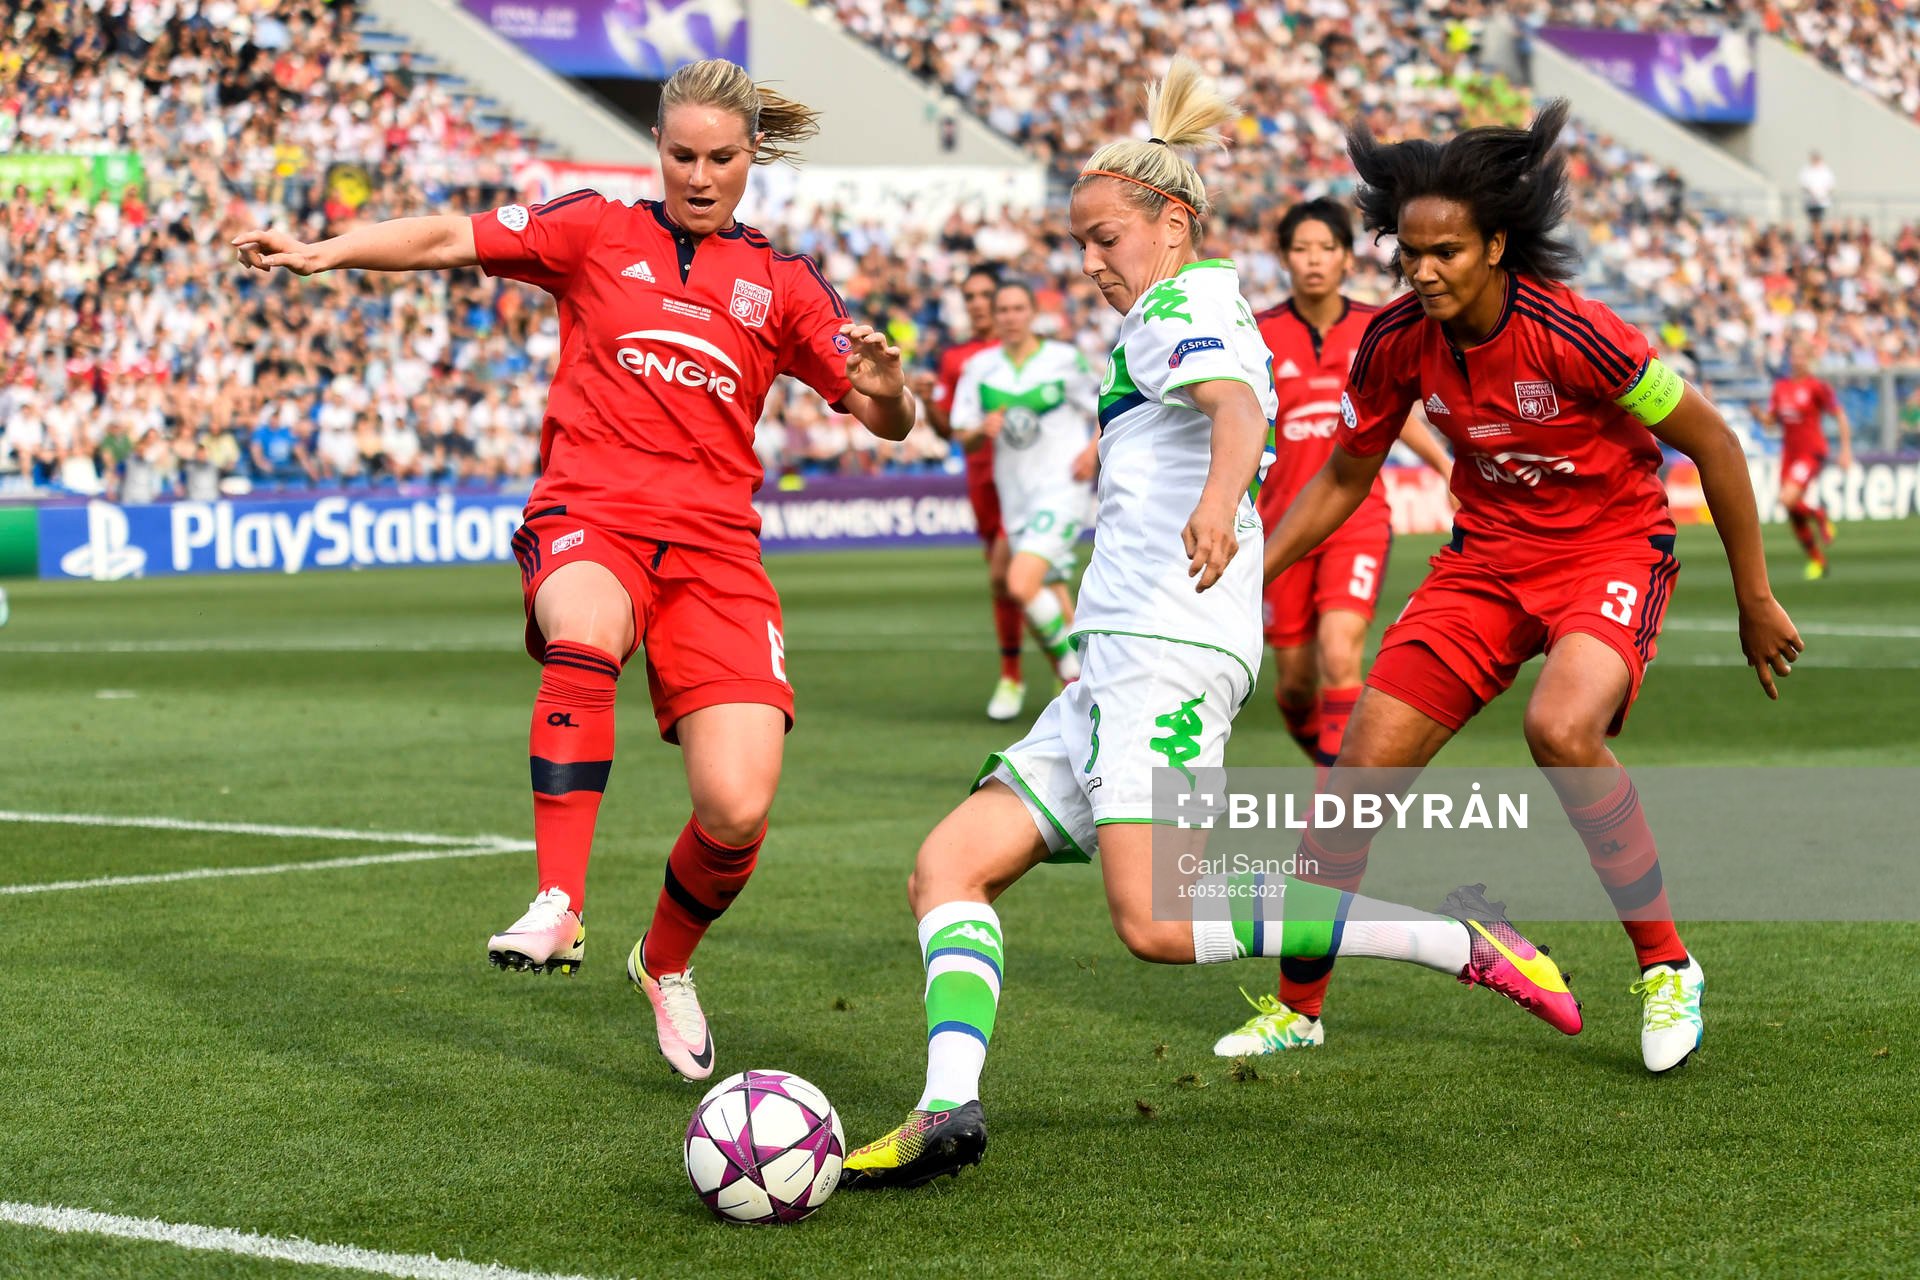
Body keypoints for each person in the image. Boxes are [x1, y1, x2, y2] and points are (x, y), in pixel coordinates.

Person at [843, 59, 1579, 1191]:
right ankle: (949, 1104)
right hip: (1117, 660)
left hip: (1166, 650)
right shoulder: (1172, 307)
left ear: (1171, 223)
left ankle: (1459, 938)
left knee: (1154, 919)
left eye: (1104, 238)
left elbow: (1233, 409)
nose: (1089, 262)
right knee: (949, 863)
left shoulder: (1186, 303)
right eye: (1080, 242)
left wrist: (1215, 498)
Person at [233, 58, 917, 1082]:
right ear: (659, 150)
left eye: (719, 157)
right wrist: (325, 253)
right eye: (680, 153)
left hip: (717, 552)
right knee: (582, 628)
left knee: (736, 808)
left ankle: (665, 961)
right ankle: (560, 899)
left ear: (750, 155)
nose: (697, 173)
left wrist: (888, 389)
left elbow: (885, 417)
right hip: (589, 511)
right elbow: (445, 235)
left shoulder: (782, 284)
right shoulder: (596, 228)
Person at [1261, 99, 1804, 1075]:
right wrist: (1248, 572)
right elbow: (1348, 471)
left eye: (1446, 252)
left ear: (1496, 244)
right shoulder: (1396, 340)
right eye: (1409, 251)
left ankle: (1667, 963)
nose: (1423, 270)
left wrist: (1755, 597)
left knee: (1560, 731)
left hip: (1609, 547)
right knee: (1353, 782)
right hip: (1485, 563)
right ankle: (1297, 1008)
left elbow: (1713, 441)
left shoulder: (1574, 330)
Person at [1214, 197, 1456, 1057]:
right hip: (1280, 525)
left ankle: (1337, 823)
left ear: (1348, 258)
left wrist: (1456, 471)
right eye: (1300, 248)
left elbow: (1416, 417)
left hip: (1357, 518)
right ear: (1283, 258)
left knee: (1342, 648)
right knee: (1292, 681)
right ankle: (1330, 771)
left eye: (1327, 247)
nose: (1313, 260)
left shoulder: (1381, 328)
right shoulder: (1256, 329)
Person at [948, 280, 1096, 718]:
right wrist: (980, 430)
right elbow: (964, 436)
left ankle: (1075, 676)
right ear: (994, 317)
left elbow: (1106, 408)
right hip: (1015, 497)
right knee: (1045, 586)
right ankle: (1088, 684)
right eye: (1003, 310)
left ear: (1032, 312)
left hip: (1062, 488)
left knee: (1020, 583)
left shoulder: (1064, 360)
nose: (1011, 316)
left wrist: (1092, 451)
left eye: (1018, 308)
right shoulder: (980, 368)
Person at [922, 265, 1034, 719]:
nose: (976, 304)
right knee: (1006, 582)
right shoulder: (957, 358)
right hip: (981, 478)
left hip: (1025, 478)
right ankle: (1019, 677)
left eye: (984, 295)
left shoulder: (1025, 351)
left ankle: (1048, 676)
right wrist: (929, 402)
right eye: (968, 296)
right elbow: (951, 430)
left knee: (1015, 574)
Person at [1759, 340, 1852, 579]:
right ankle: (1818, 561)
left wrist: (1845, 450)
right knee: (1791, 511)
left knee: (1787, 499)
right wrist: (1758, 415)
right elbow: (1771, 423)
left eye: (1802, 356)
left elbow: (1840, 415)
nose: (1797, 360)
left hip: (1811, 451)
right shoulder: (1781, 387)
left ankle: (1820, 515)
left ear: (1809, 360)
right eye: (1794, 355)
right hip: (1789, 453)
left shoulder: (1817, 387)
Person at [1798, 150, 1835, 231]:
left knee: (1819, 222)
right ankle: (1816, 239)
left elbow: (1831, 186)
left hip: (1822, 202)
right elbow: (1803, 185)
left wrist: (1822, 194)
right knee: (1812, 222)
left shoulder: (1825, 170)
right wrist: (1812, 192)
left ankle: (1818, 239)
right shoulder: (1806, 170)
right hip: (1810, 202)